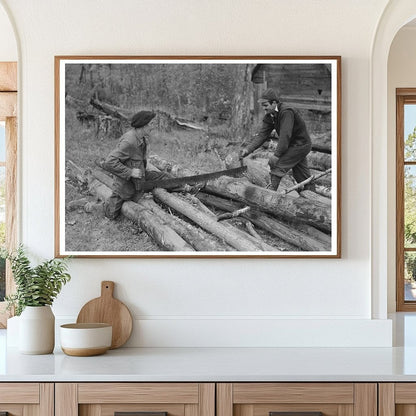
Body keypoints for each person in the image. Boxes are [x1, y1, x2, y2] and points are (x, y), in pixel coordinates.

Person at [240, 88, 314, 192]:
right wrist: (248, 149)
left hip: (300, 145)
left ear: (274, 102)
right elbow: (262, 135)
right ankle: (312, 195)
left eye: (265, 105)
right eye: (263, 106)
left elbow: (285, 135)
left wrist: (277, 155)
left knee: (278, 166)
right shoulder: (270, 115)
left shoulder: (286, 112)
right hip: (292, 145)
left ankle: (269, 194)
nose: (264, 108)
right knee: (301, 174)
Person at [103, 110, 168, 219]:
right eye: (151, 124)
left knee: (163, 177)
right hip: (125, 187)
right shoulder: (129, 141)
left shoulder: (142, 139)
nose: (153, 127)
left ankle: (188, 187)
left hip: (140, 180)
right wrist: (130, 172)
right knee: (111, 214)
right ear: (143, 125)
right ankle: (92, 206)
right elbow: (109, 162)